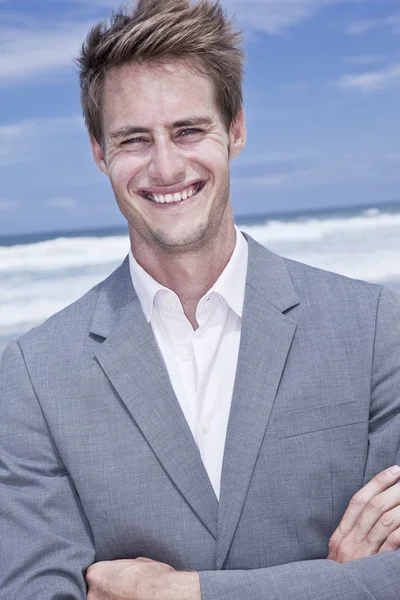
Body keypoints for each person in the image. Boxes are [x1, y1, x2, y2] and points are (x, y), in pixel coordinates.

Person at [1, 0, 400, 598]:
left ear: (235, 130)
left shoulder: (374, 328)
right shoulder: (30, 378)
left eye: (189, 130)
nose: (165, 166)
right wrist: (333, 583)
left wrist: (177, 593)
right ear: (98, 152)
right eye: (133, 139)